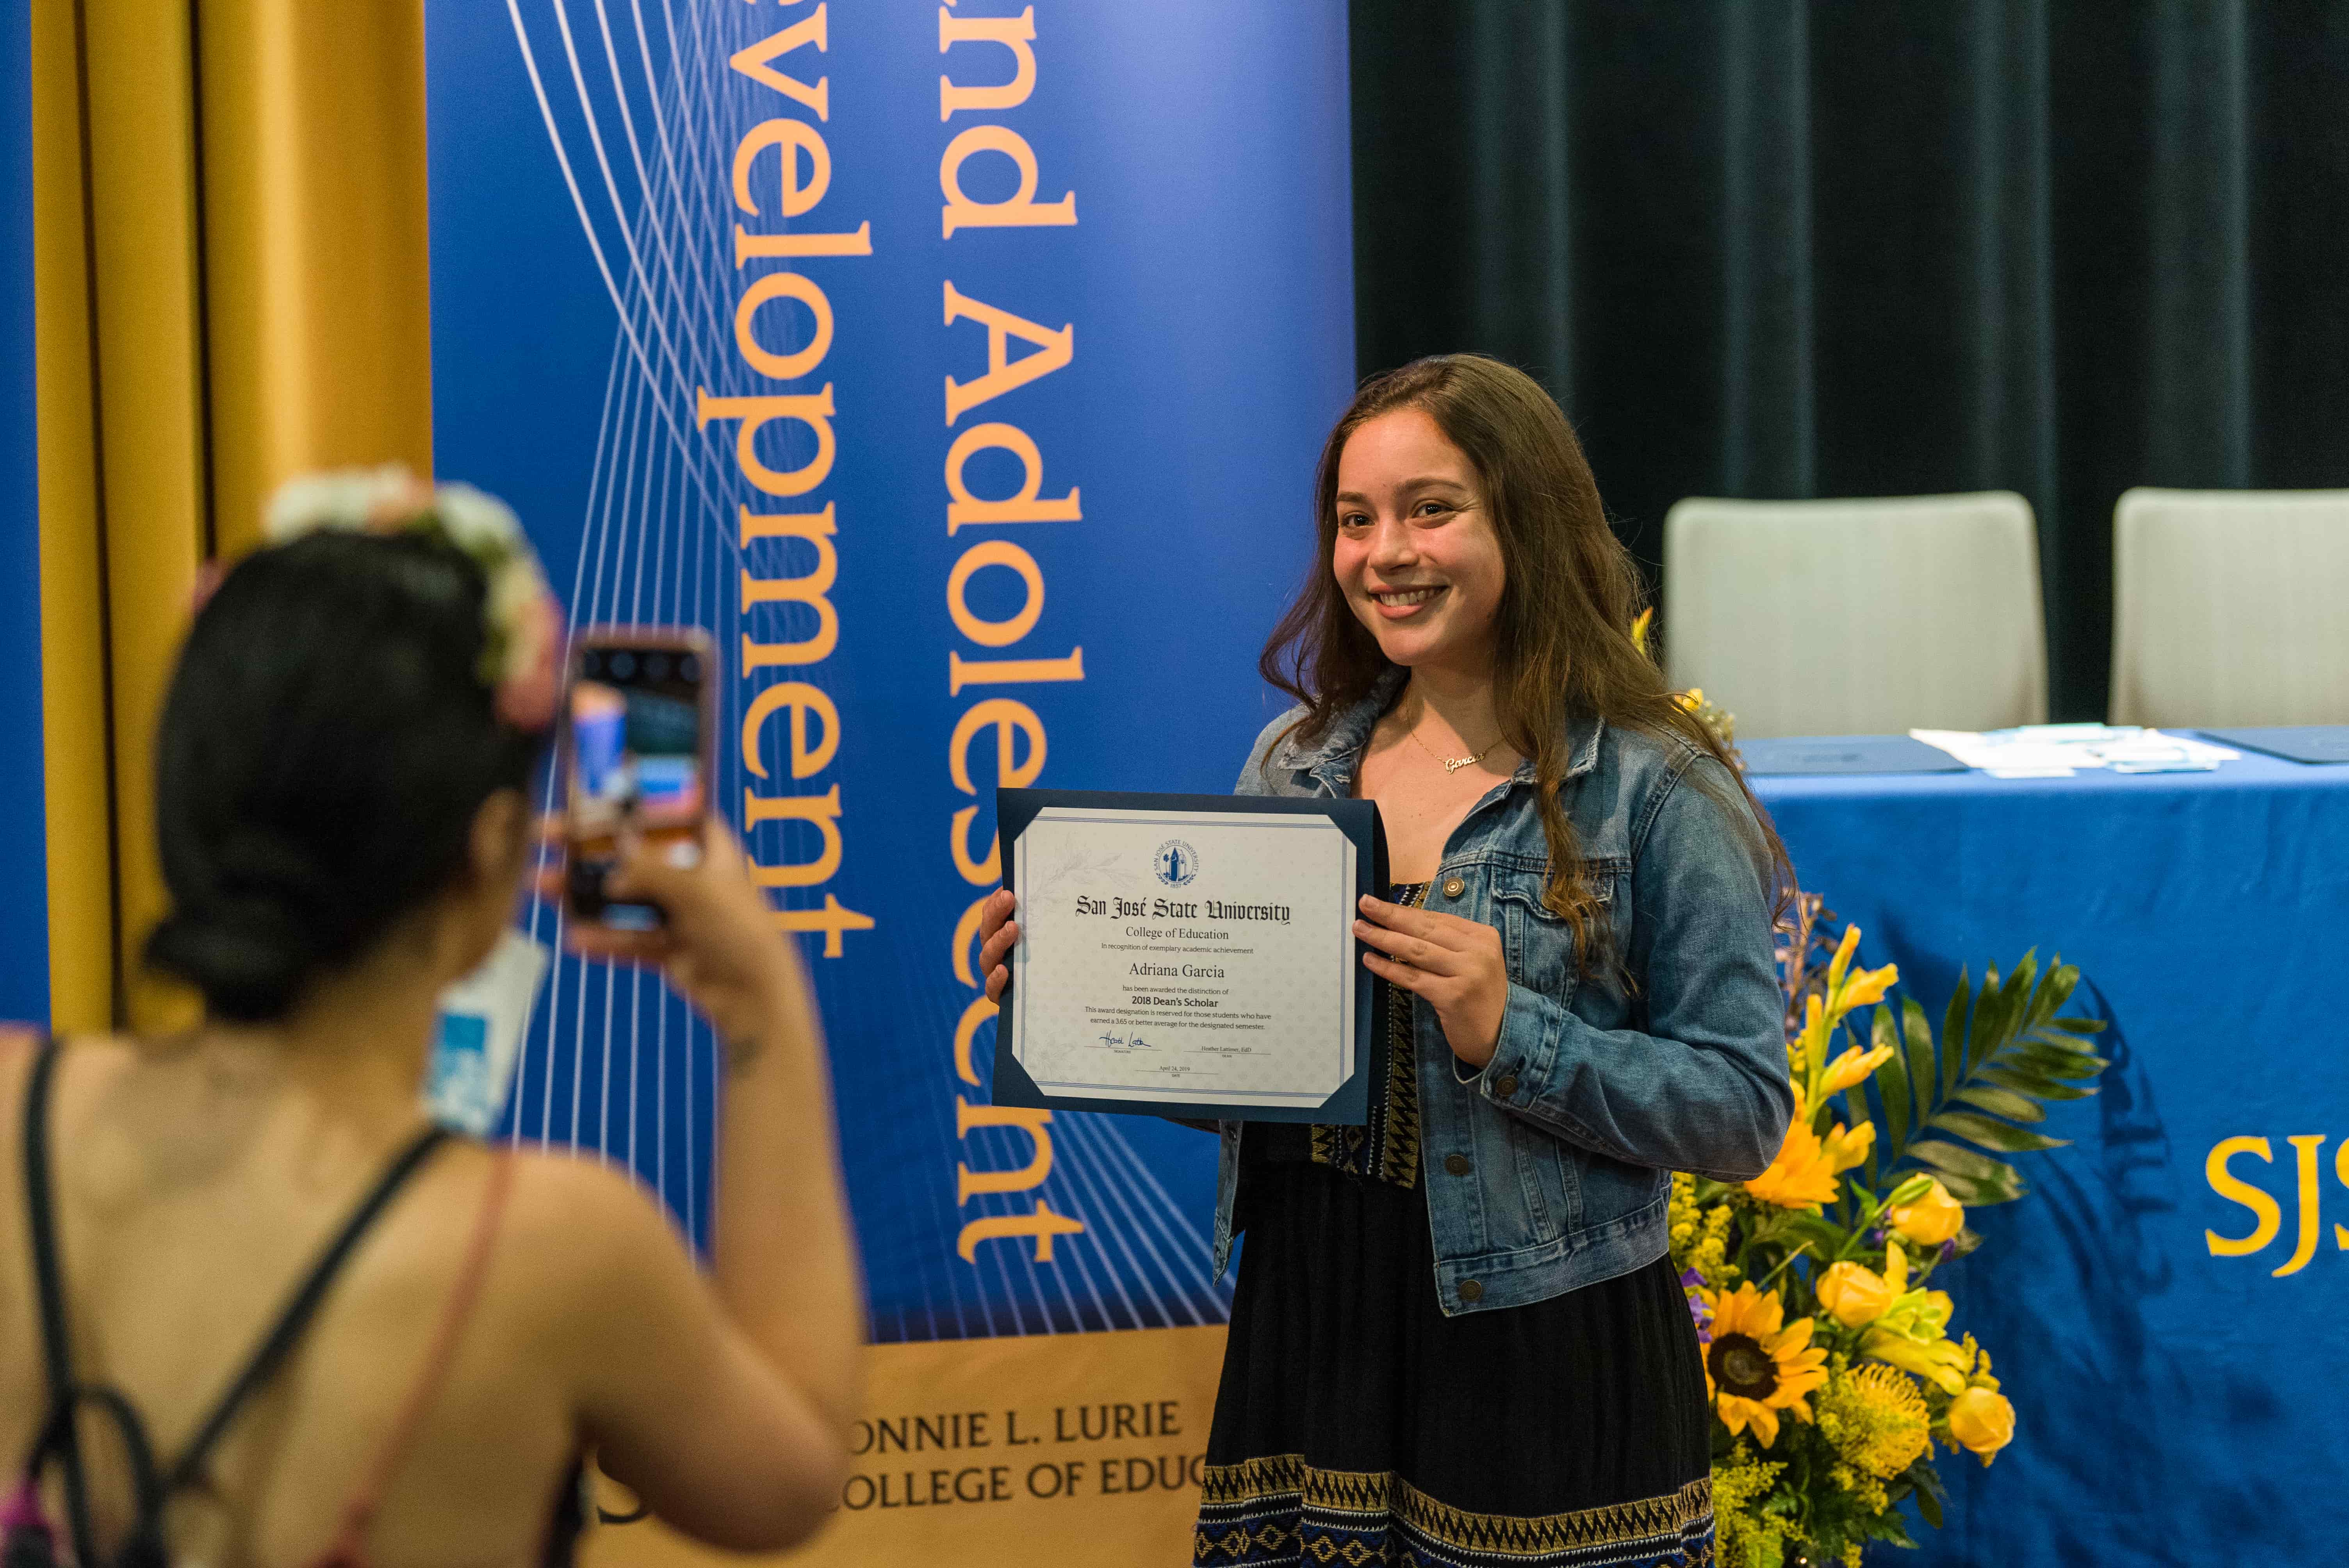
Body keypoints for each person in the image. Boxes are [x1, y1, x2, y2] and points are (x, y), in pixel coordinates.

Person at [976, 356, 1793, 1568]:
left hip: (1543, 1351)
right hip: (1313, 1331)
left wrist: (1513, 1033)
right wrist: (1075, 997)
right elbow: (1260, 1074)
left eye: (1431, 509)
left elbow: (1743, 1113)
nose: (1384, 554)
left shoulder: (1657, 786)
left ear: (1528, 516)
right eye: (1355, 521)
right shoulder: (1294, 765)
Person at [0, 472, 861, 1568]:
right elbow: (787, 1479)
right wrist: (765, 1013)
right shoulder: (558, 1251)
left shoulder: (15, 1114)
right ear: (494, 845)